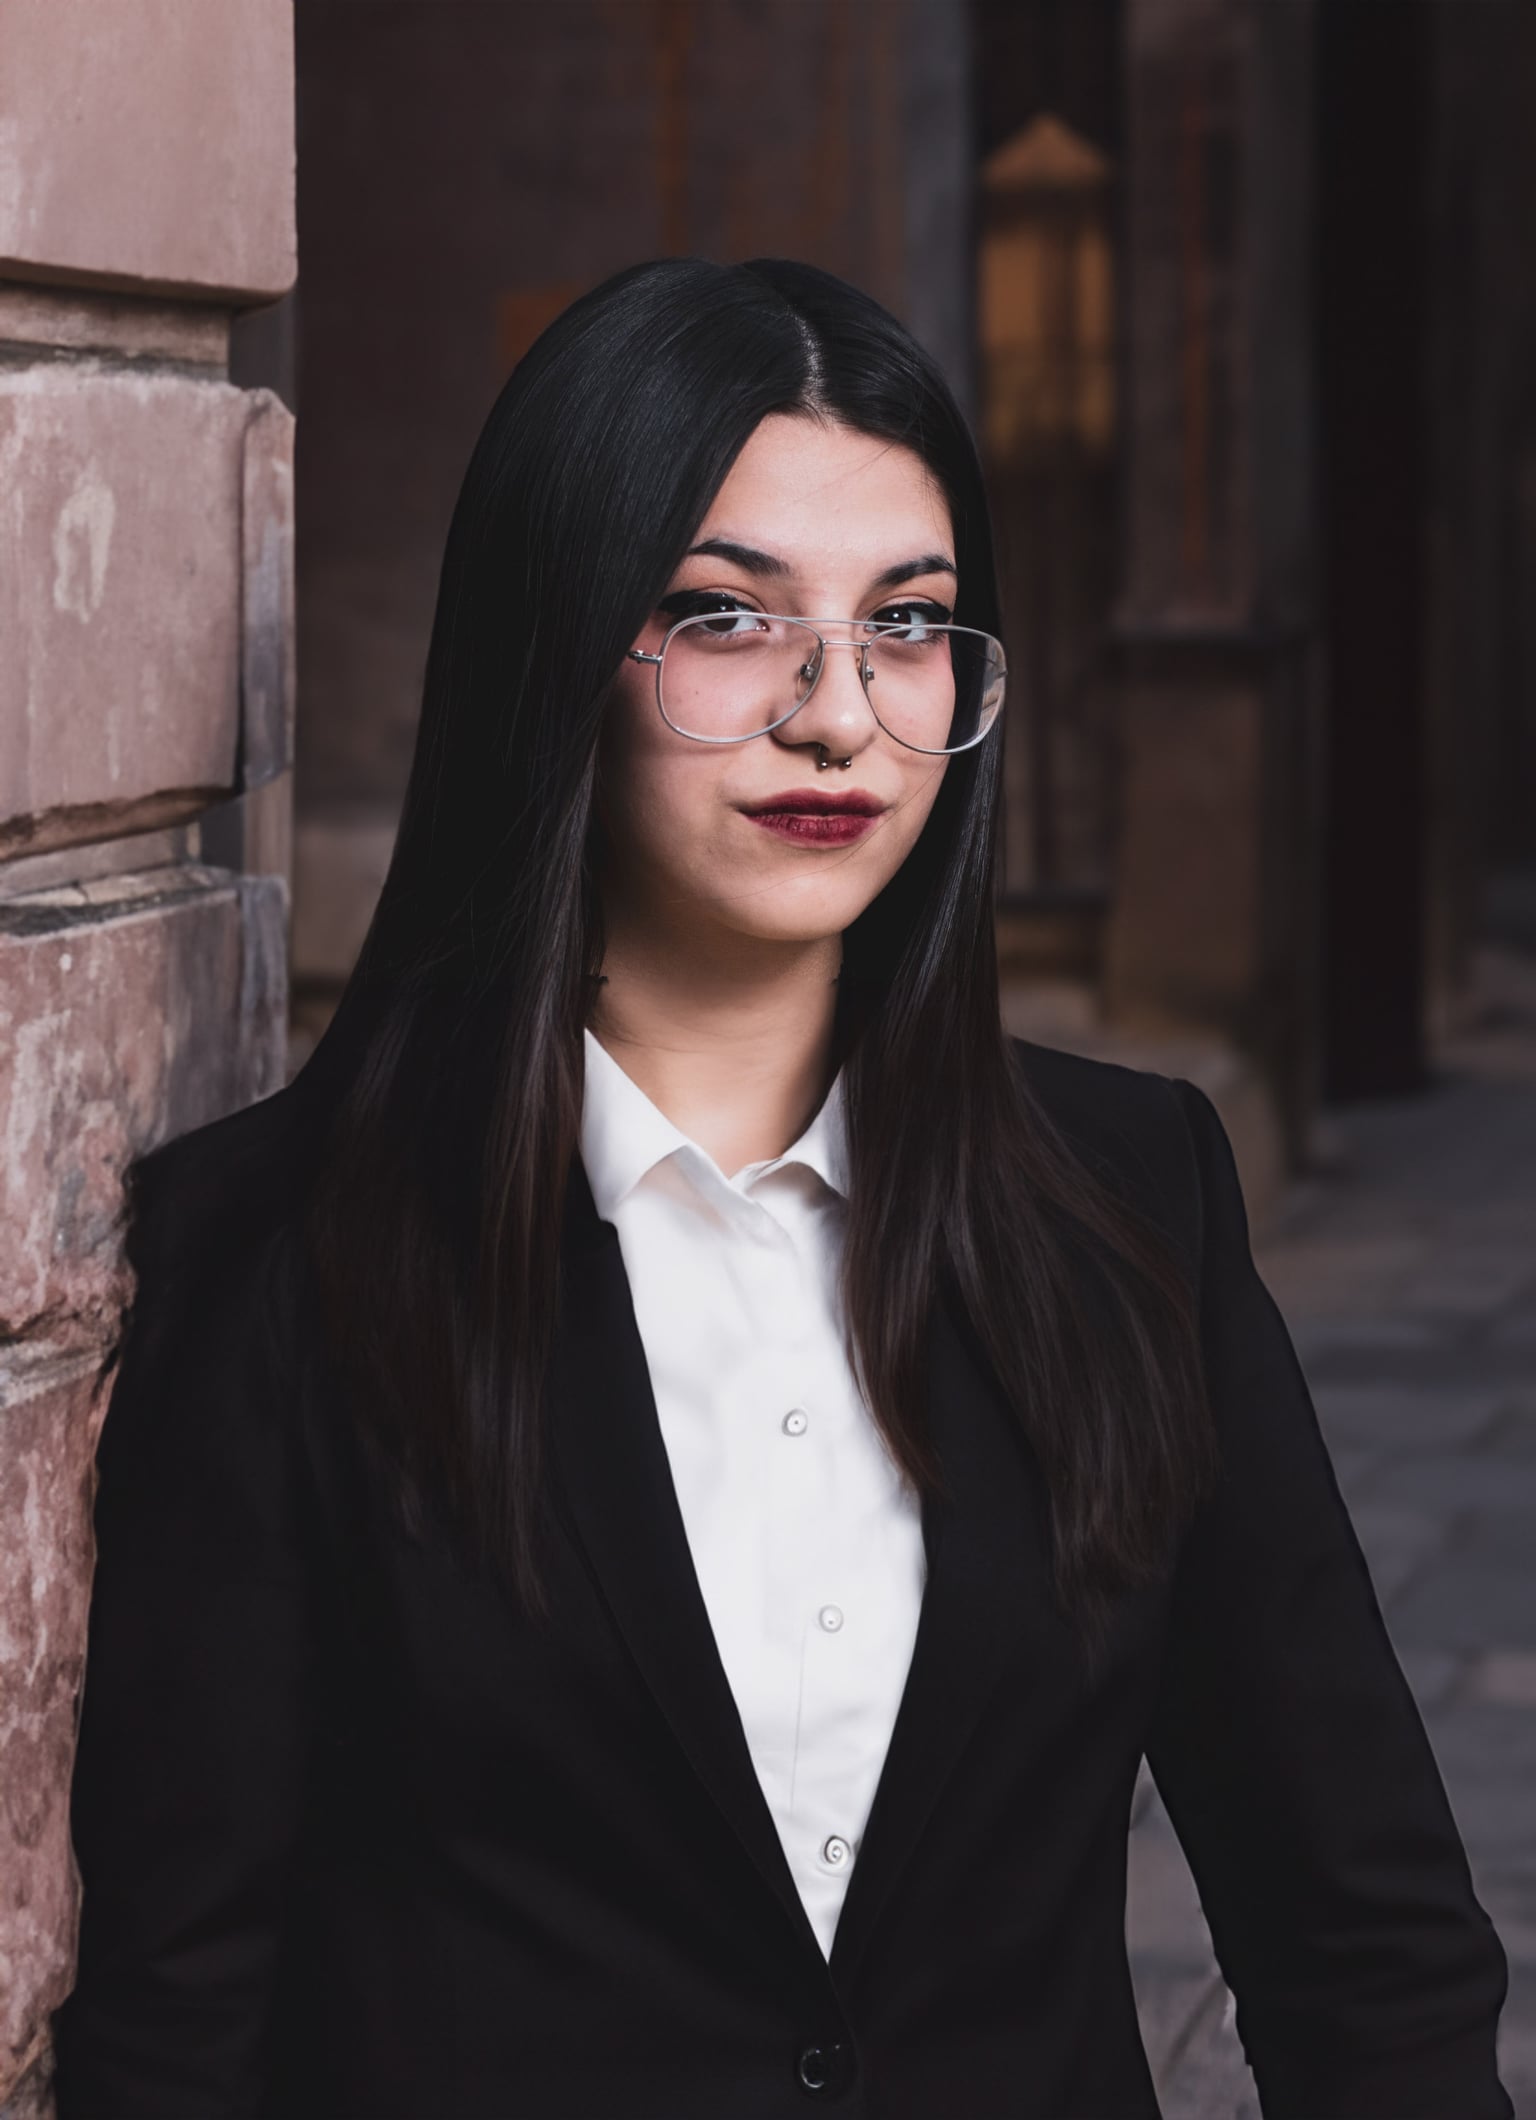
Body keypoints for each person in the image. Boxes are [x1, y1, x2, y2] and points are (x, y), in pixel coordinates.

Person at [50, 257, 1511, 2120]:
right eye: (732, 618)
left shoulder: (1136, 1202)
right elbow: (177, 2029)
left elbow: (1365, 1939)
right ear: (561, 645)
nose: (840, 716)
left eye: (908, 626)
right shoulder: (281, 1258)